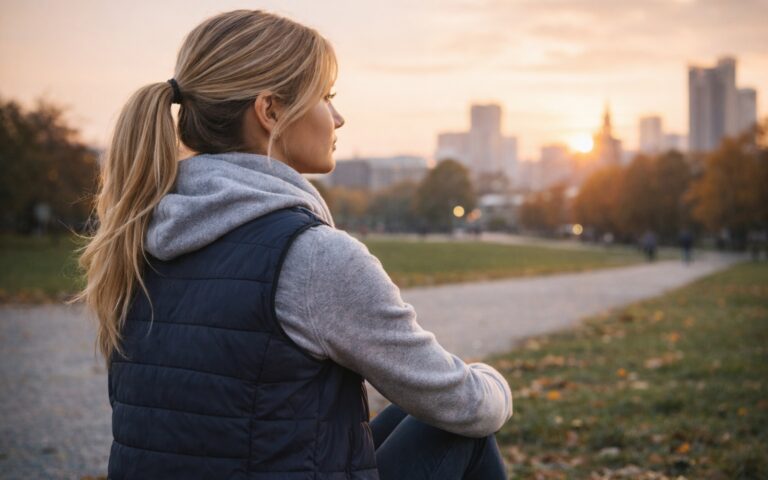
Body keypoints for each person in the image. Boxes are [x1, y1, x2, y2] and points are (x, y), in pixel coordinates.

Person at [70, 10, 512, 480]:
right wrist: (494, 381)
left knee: (415, 415)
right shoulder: (312, 256)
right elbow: (465, 404)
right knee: (465, 429)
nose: (338, 118)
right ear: (271, 111)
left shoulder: (137, 237)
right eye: (326, 97)